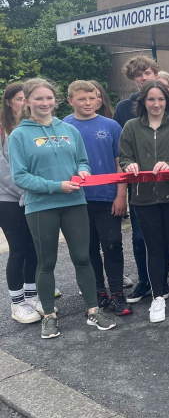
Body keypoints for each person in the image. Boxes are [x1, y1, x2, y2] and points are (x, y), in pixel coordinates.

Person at [9, 78, 116, 338]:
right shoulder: (19, 135)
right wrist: (57, 186)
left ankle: (93, 310)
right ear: (27, 102)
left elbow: (83, 160)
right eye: (38, 98)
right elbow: (20, 177)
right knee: (47, 262)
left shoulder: (68, 129)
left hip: (75, 202)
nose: (45, 103)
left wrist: (82, 171)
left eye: (48, 98)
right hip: (40, 206)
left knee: (83, 258)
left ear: (55, 100)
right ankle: (49, 315)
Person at [119, 80, 169, 323]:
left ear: (168, 101)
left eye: (161, 99)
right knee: (153, 247)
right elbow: (124, 157)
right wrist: (128, 164)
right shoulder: (130, 127)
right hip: (143, 196)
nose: (156, 104)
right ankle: (158, 297)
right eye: (151, 99)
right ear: (143, 102)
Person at [64, 81, 132, 316]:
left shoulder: (111, 126)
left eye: (92, 98)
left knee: (112, 245)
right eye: (82, 99)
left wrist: (121, 194)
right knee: (88, 248)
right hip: (77, 199)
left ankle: (117, 294)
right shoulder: (63, 127)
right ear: (70, 100)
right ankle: (98, 292)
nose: (88, 103)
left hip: (107, 197)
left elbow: (119, 162)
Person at [113, 55, 160, 303]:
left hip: (168, 182)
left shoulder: (167, 101)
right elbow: (123, 149)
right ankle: (144, 281)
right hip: (139, 185)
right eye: (138, 75)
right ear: (133, 80)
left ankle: (163, 280)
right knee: (140, 236)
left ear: (155, 73)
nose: (144, 78)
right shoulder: (122, 108)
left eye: (147, 72)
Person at [1, 83, 42, 324]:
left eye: (25, 99)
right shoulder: (2, 130)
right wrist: (26, 191)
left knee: (34, 248)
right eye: (18, 99)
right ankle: (17, 303)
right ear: (8, 102)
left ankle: (32, 294)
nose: (23, 103)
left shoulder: (33, 128)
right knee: (18, 249)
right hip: (8, 199)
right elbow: (4, 171)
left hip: (33, 196)